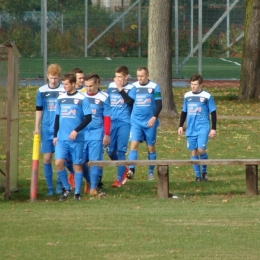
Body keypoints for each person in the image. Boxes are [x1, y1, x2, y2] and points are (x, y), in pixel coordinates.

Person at [53, 73, 92, 201]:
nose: (64, 86)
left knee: (77, 165)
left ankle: (77, 192)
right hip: (62, 139)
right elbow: (57, 118)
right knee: (58, 163)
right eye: (63, 84)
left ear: (73, 84)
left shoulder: (82, 99)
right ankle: (67, 188)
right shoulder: (61, 98)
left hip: (77, 139)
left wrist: (76, 130)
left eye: (66, 84)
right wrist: (55, 135)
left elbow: (88, 117)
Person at [177, 73, 217, 181]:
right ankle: (198, 176)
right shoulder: (187, 96)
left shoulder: (207, 96)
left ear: (200, 85)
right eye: (191, 84)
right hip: (190, 128)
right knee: (193, 151)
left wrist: (213, 128)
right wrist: (181, 125)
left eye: (195, 84)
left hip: (203, 127)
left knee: (201, 150)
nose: (192, 86)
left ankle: (204, 170)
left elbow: (213, 112)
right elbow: (184, 111)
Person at [34, 63, 65, 196]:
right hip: (46, 128)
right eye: (51, 78)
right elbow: (39, 110)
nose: (53, 81)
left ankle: (59, 185)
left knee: (59, 159)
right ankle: (50, 188)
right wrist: (36, 126)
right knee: (47, 158)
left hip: (60, 129)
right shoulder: (42, 91)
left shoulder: (64, 90)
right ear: (47, 76)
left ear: (59, 77)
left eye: (56, 78)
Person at [127, 67, 162, 180]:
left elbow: (159, 104)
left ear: (147, 75)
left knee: (150, 147)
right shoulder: (134, 87)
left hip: (149, 123)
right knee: (134, 144)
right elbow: (129, 102)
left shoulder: (154, 87)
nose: (140, 78)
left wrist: (154, 117)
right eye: (138, 76)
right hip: (136, 121)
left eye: (142, 76)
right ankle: (131, 170)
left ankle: (150, 171)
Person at [106, 66, 136, 187]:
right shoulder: (110, 86)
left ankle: (119, 179)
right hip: (112, 121)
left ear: (126, 77)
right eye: (116, 77)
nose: (117, 79)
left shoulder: (131, 88)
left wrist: (120, 88)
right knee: (109, 150)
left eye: (120, 77)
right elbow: (107, 102)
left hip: (124, 122)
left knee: (121, 150)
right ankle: (123, 167)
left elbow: (130, 102)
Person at [82, 73, 110, 195]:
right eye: (86, 86)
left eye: (91, 86)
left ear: (98, 83)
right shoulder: (81, 95)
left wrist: (106, 134)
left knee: (94, 161)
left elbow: (107, 117)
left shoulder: (104, 97)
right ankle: (88, 181)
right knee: (80, 160)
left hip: (96, 132)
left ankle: (93, 187)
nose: (88, 88)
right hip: (82, 133)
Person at [65, 67, 85, 188]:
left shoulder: (84, 93)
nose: (82, 80)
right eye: (80, 78)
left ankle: (89, 182)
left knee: (83, 160)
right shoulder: (65, 94)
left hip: (83, 132)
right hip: (67, 133)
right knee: (65, 159)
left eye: (83, 78)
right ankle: (73, 174)